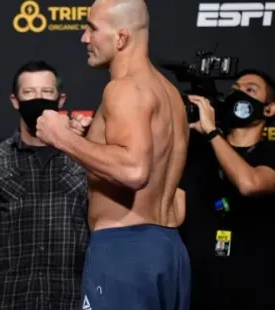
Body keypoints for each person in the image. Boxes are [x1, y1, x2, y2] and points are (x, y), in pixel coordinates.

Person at [35, 0, 191, 309]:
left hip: (125, 251)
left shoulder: (123, 89)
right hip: (168, 250)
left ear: (121, 38)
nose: (84, 38)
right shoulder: (169, 92)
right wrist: (88, 141)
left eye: (92, 28)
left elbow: (134, 170)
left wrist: (63, 138)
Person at [0, 60, 90, 310]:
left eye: (46, 92)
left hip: (72, 299)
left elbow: (99, 233)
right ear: (15, 100)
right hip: (11, 299)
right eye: (28, 93)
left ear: (60, 99)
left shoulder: (84, 159)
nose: (37, 99)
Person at [179, 69, 275, 309]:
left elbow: (249, 184)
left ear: (269, 109)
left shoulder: (270, 155)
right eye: (235, 89)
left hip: (253, 292)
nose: (239, 94)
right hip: (196, 290)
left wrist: (213, 132)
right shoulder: (198, 151)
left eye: (250, 90)